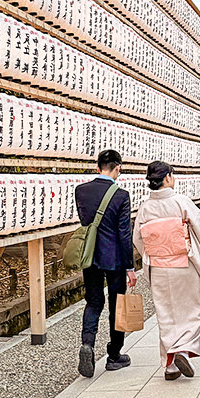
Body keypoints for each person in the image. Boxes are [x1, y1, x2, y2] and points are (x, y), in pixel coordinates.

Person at [133, 162, 200, 381]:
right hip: (184, 263)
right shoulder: (181, 202)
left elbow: (138, 239)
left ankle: (170, 366)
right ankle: (182, 350)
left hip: (159, 266)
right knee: (192, 308)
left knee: (166, 313)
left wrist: (153, 254)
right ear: (169, 178)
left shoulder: (145, 208)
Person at [74, 150, 135, 377]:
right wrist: (130, 266)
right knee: (116, 305)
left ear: (97, 167)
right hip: (116, 259)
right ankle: (114, 355)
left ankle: (87, 343)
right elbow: (123, 234)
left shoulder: (81, 191)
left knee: (93, 301)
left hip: (90, 256)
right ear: (117, 167)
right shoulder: (121, 195)